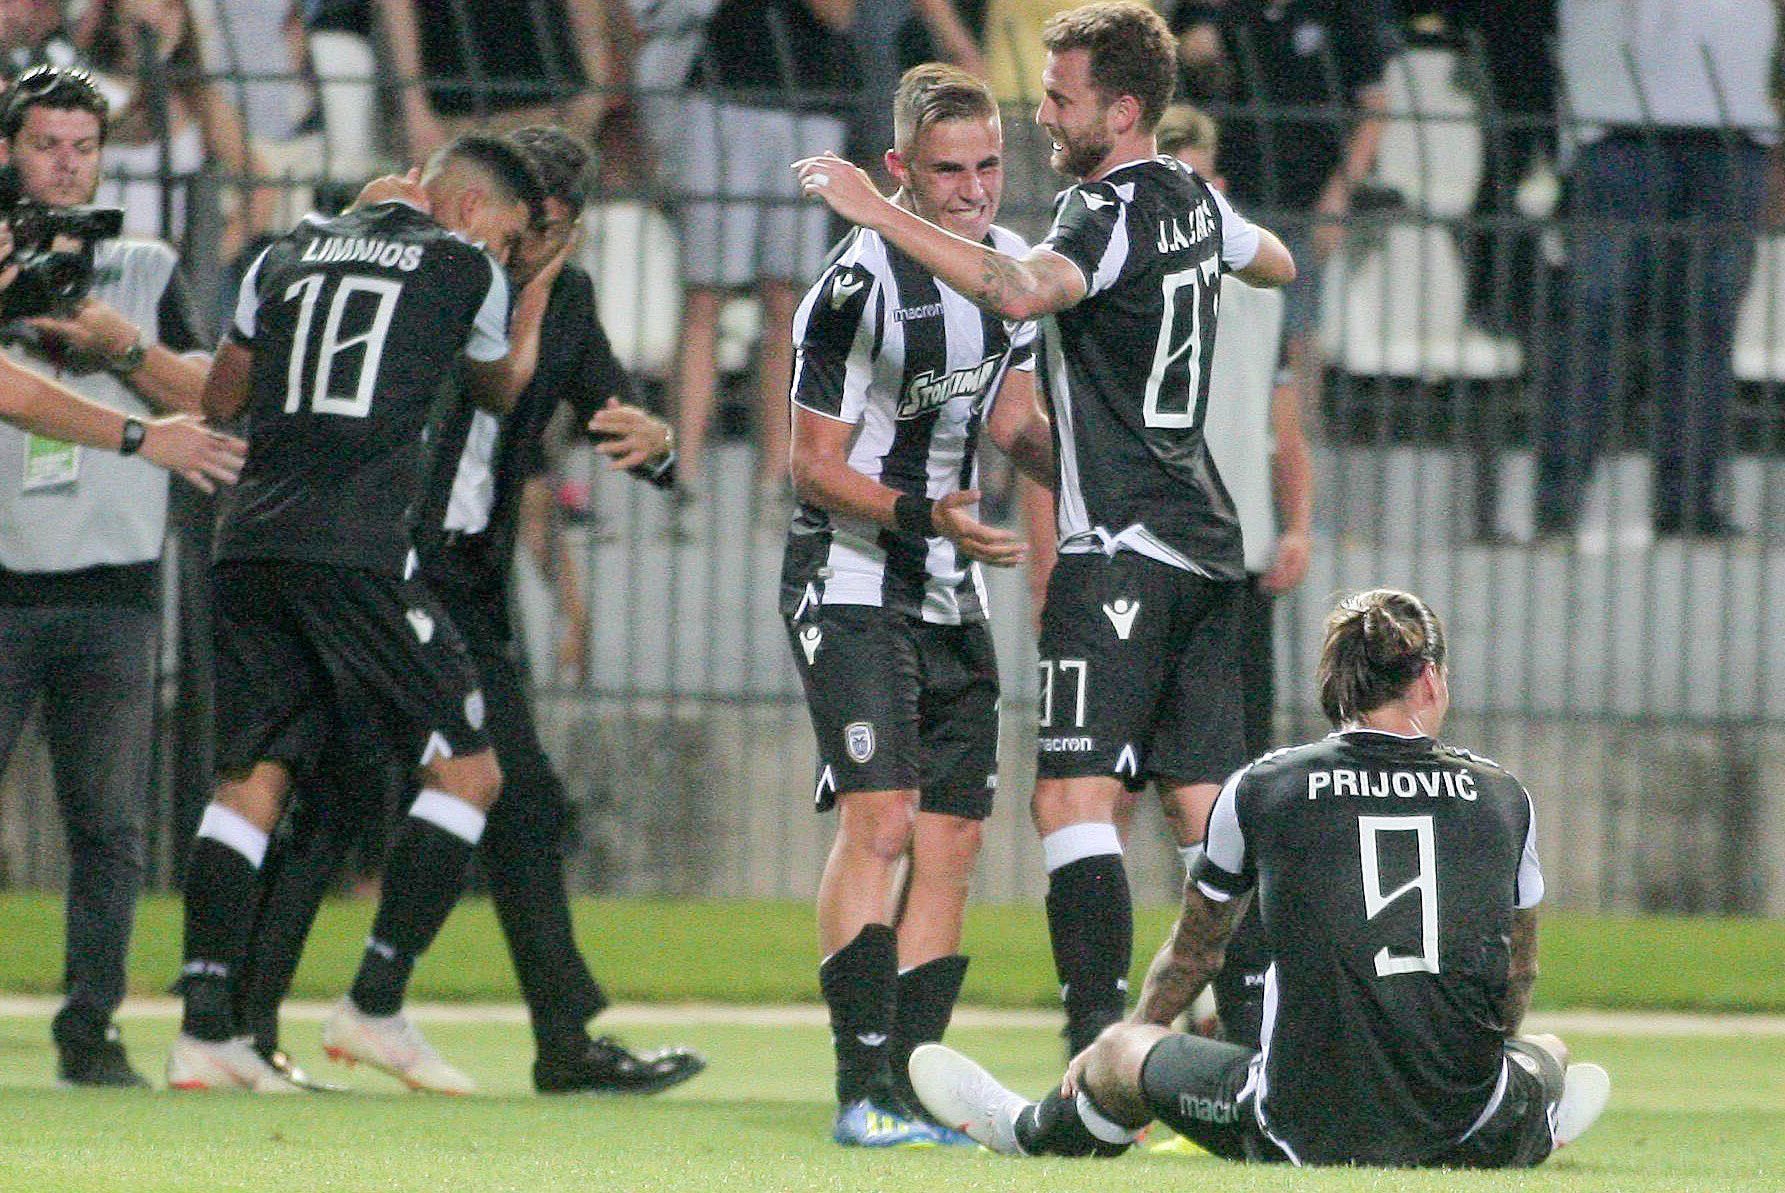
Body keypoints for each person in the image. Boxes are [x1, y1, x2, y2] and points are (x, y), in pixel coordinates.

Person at [796, 0, 1295, 1059]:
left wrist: (872, 210)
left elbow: (1022, 293)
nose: (1043, 116)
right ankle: (1256, 1062)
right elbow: (1280, 264)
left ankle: (1091, 1061)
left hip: (1118, 548)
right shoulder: (1192, 199)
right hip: (1208, 544)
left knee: (1072, 800)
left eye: (1061, 99)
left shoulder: (1097, 214)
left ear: (1120, 111)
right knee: (1206, 817)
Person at [231, 125, 706, 1098]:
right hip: (383, 560)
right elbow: (479, 382)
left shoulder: (560, 298)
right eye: (525, 228)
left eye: (550, 234)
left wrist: (657, 445)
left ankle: (557, 1039)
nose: (528, 249)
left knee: (516, 796)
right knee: (338, 786)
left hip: (464, 584)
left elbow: (616, 412)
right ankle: (249, 1022)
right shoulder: (435, 274)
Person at [910, 588, 1613, 1169]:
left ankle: (1029, 1127)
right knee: (1546, 1050)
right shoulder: (1503, 795)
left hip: (1302, 1130)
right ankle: (1528, 1124)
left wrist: (1121, 1051)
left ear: (1334, 684)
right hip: (1467, 1124)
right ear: (1429, 679)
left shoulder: (1263, 786)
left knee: (1120, 1049)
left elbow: (1195, 954)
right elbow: (1519, 971)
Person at [165, 134, 546, 1094]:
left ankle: (204, 1031)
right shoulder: (465, 267)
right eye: (507, 236)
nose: (503, 254)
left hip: (250, 541)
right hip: (359, 550)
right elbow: (500, 386)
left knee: (251, 779)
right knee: (469, 772)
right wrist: (525, 282)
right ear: (469, 209)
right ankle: (374, 1004)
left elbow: (219, 397)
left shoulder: (283, 249)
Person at [782, 62, 1053, 1147]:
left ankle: (912, 1086)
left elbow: (1014, 424)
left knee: (952, 840)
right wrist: (923, 514)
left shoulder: (1007, 272)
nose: (974, 190)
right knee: (883, 822)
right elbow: (811, 466)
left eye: (988, 165)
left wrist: (1103, 476)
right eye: (948, 171)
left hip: (949, 583)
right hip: (851, 576)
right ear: (898, 168)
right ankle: (861, 1088)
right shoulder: (855, 287)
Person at [0, 63, 243, 1088]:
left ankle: (90, 1027)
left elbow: (214, 398)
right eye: (45, 145)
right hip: (5, 576)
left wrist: (120, 343)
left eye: (83, 146)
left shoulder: (142, 265)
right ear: (9, 153)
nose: (65, 165)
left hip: (116, 585)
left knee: (109, 826)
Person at [1151, 101, 1307, 1050]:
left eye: (1202, 175)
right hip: (1152, 554)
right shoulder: (1127, 274)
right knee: (1126, 794)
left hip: (1235, 565)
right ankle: (1158, 1007)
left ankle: (1228, 1007)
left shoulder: (1259, 283)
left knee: (1235, 795)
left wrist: (1298, 521)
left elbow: (1281, 422)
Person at [1538, 0, 1776, 539]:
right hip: (1616, 125)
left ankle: (1688, 504)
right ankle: (1560, 504)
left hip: (1732, 126)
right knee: (1595, 321)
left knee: (1704, 325)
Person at [644, 0, 859, 507]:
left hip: (809, 99)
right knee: (704, 294)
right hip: (721, 91)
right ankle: (683, 471)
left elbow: (837, 12)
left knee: (787, 300)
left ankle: (777, 474)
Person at [1172, 0, 1394, 453]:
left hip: (1306, 203)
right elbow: (1190, 60)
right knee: (1219, 326)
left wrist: (1339, 195)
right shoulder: (1229, 12)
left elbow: (1374, 108)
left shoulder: (1342, 13)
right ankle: (1223, 449)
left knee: (1298, 334)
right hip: (1232, 197)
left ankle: (1299, 458)